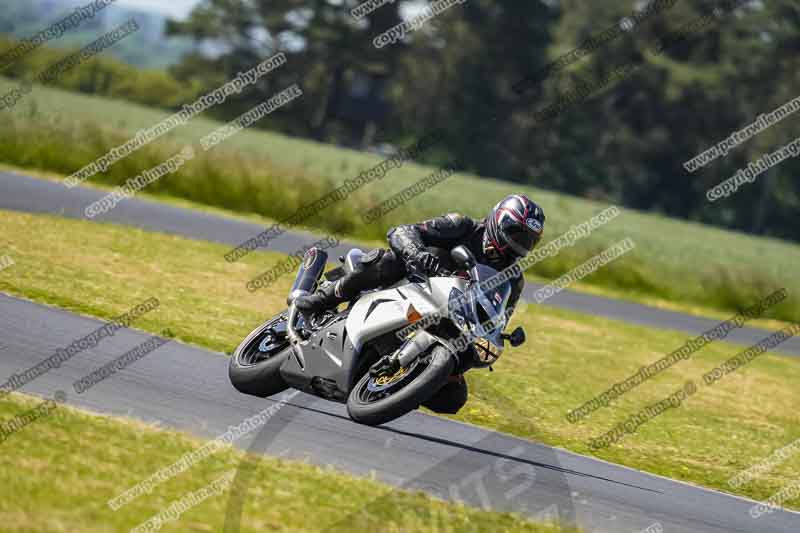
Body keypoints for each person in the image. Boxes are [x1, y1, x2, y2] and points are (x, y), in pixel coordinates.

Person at [295, 194, 546, 413]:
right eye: (515, 234)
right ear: (498, 221)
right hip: (410, 283)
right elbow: (402, 231)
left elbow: (496, 318)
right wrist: (417, 254)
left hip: (449, 322)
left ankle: (402, 386)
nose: (518, 245)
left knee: (453, 399)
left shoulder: (513, 280)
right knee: (388, 260)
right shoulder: (463, 226)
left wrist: (491, 341)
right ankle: (323, 299)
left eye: (527, 242)